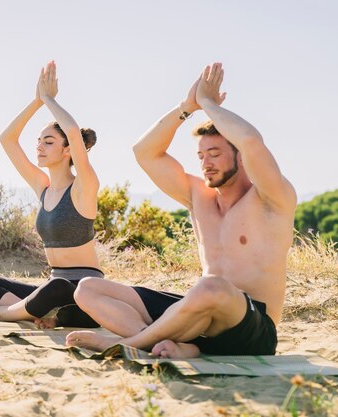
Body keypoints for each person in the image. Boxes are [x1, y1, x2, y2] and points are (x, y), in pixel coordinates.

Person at [66, 62, 297, 357]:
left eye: (214, 154)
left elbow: (251, 141)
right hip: (198, 316)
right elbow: (144, 152)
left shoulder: (271, 198)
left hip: (252, 328)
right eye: (201, 156)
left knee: (212, 287)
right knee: (87, 289)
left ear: (240, 159)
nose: (205, 163)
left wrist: (209, 104)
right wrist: (187, 107)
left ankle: (128, 345)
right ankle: (172, 345)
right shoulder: (197, 195)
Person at [0, 61, 103, 328]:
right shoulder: (43, 187)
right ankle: (33, 311)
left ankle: (6, 312)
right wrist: (37, 101)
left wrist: (49, 99)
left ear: (67, 150)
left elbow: (72, 131)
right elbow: (7, 139)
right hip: (52, 286)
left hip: (84, 292)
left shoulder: (84, 186)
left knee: (58, 289)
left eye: (48, 142)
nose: (39, 146)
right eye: (38, 141)